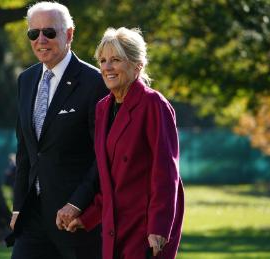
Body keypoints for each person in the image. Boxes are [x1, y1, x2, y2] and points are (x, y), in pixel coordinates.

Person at [66, 27, 185, 259]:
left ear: (137, 65)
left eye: (116, 60)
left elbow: (166, 173)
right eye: (103, 60)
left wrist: (159, 227)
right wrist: (88, 217)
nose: (107, 67)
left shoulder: (153, 104)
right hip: (114, 228)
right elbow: (111, 179)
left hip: (145, 228)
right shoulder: (103, 108)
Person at [7, 2, 108, 259]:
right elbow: (26, 151)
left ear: (69, 34)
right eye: (34, 33)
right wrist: (19, 206)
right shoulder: (26, 80)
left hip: (76, 219)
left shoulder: (95, 82)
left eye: (50, 32)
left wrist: (77, 204)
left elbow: (103, 154)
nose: (41, 40)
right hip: (32, 217)